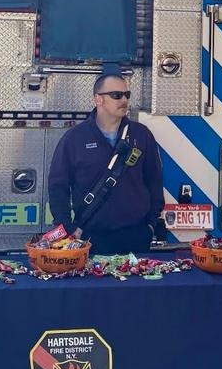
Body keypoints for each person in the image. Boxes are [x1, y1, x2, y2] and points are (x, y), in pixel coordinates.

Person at [48, 72, 163, 256]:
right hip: (91, 238)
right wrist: (69, 228)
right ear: (98, 99)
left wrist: (150, 225)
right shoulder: (75, 139)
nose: (124, 100)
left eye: (127, 95)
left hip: (136, 237)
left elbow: (154, 181)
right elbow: (57, 186)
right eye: (117, 95)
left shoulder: (141, 135)